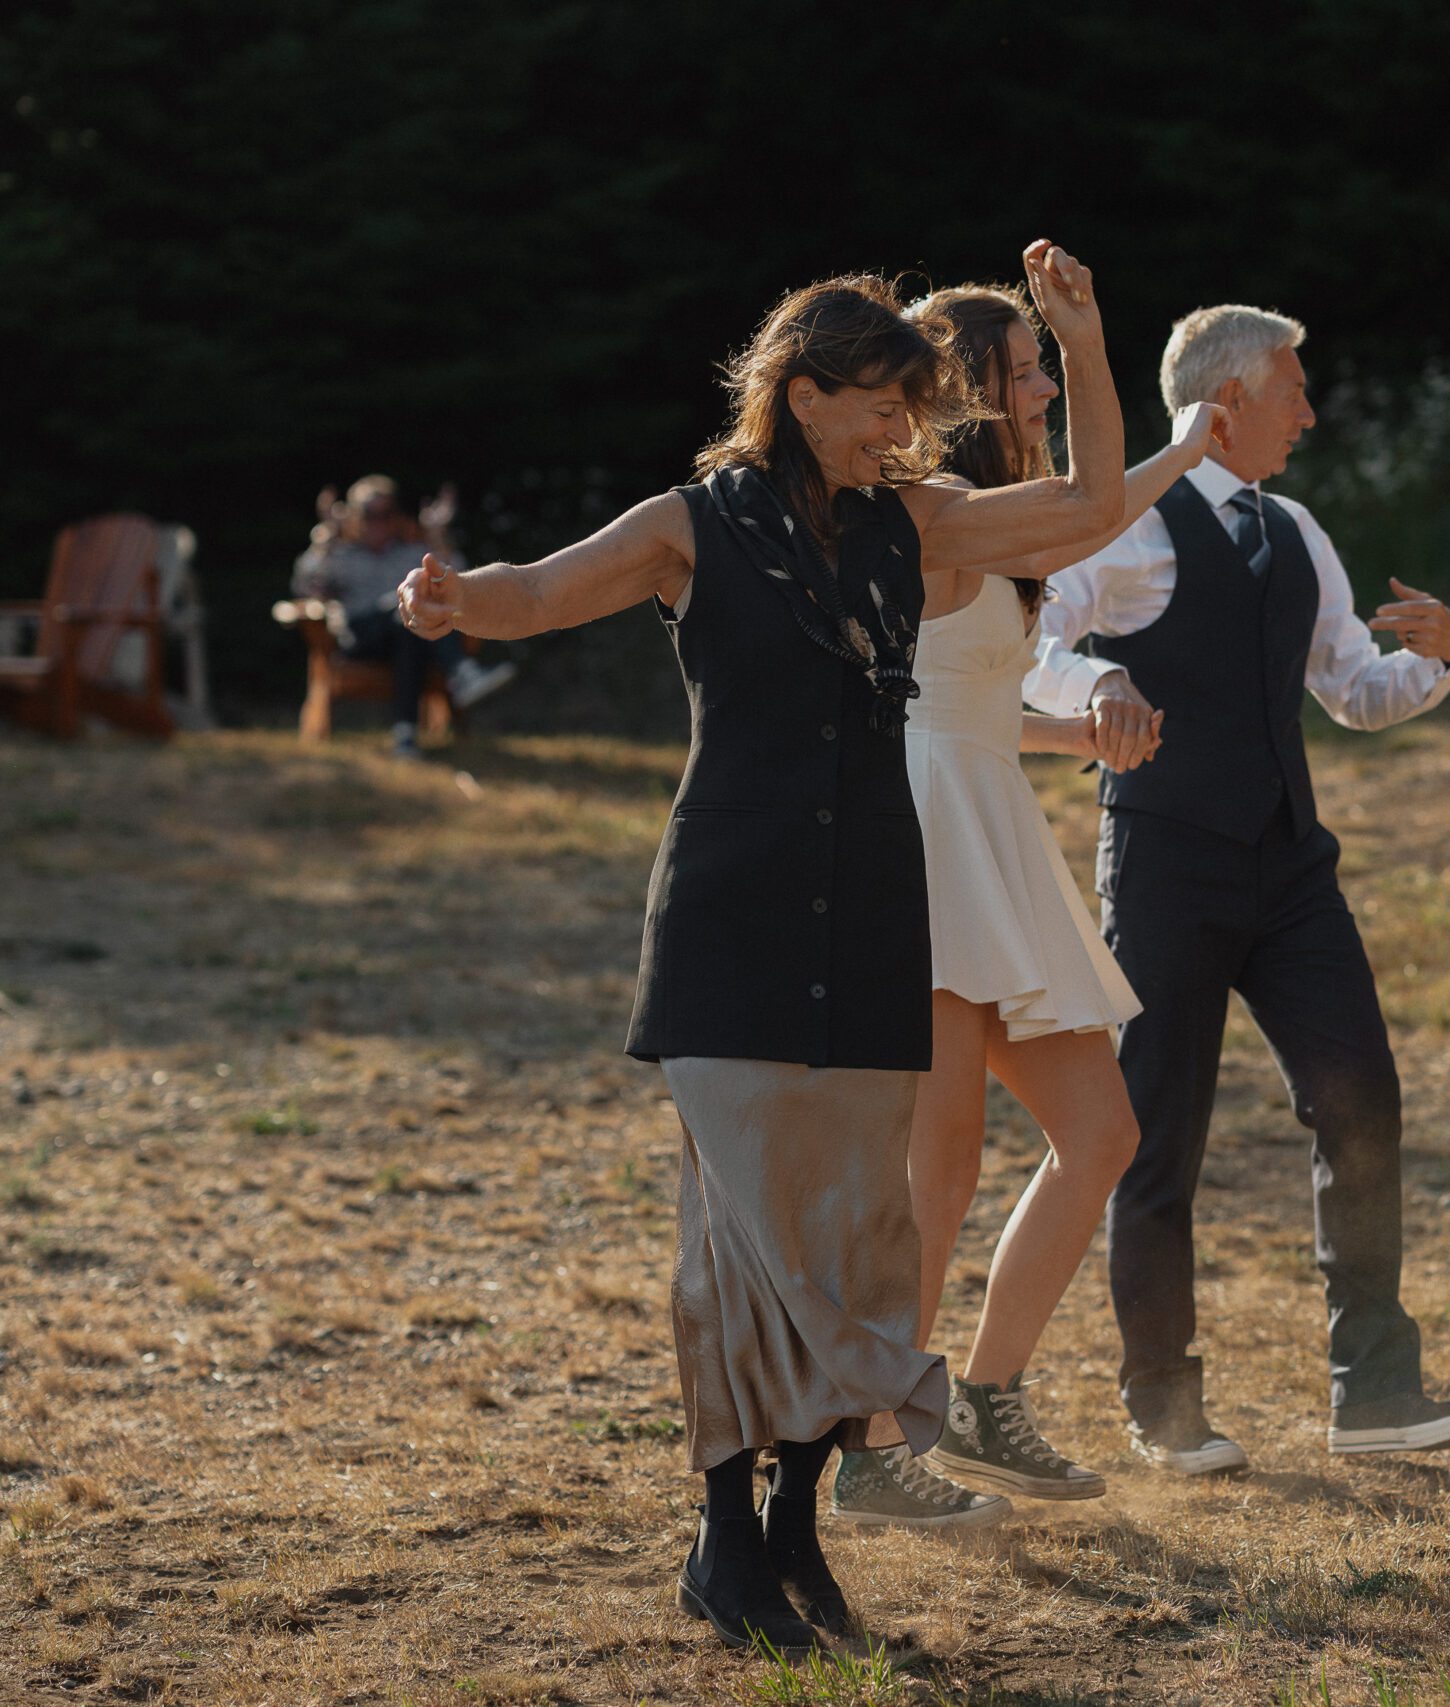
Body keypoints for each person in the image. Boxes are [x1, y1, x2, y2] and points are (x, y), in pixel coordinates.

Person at [395, 243, 1131, 1653]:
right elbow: (541, 590)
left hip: (871, 904)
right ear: (802, 395)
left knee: (859, 1234)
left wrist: (1084, 345)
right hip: (732, 913)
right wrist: (453, 600)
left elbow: (1092, 505)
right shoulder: (691, 524)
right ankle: (727, 1539)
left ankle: (796, 1545)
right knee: (743, 1246)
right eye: (880, 407)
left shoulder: (912, 525)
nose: (904, 434)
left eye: (916, 413)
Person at [1028, 304, 1450, 1474]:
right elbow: (1031, 651)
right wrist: (1098, 680)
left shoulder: (1295, 529)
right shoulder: (1119, 524)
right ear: (1224, 402)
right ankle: (1162, 1403)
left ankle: (1375, 1394)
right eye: (1292, 388)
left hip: (1290, 868)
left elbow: (1351, 689)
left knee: (1361, 1100)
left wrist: (1444, 658)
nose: (1309, 410)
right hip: (1166, 859)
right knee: (1156, 1133)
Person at [823, 283, 1226, 1527]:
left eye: (1049, 371)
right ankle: (870, 1444)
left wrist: (1081, 732)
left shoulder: (982, 534)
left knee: (1100, 1133)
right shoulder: (932, 518)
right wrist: (1161, 425)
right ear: (970, 388)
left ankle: (989, 1399)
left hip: (985, 809)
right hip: (925, 837)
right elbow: (1087, 515)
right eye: (1028, 371)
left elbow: (983, 708)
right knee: (934, 1172)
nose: (1044, 392)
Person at [291, 475, 514, 755]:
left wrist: (436, 534)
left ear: (396, 516)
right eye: (370, 515)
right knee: (408, 616)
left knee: (408, 628)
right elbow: (303, 585)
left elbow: (458, 581)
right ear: (354, 517)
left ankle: (405, 736)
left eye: (386, 514)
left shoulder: (411, 552)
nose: (379, 523)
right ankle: (462, 672)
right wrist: (324, 535)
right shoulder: (340, 554)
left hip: (407, 635)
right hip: (360, 639)